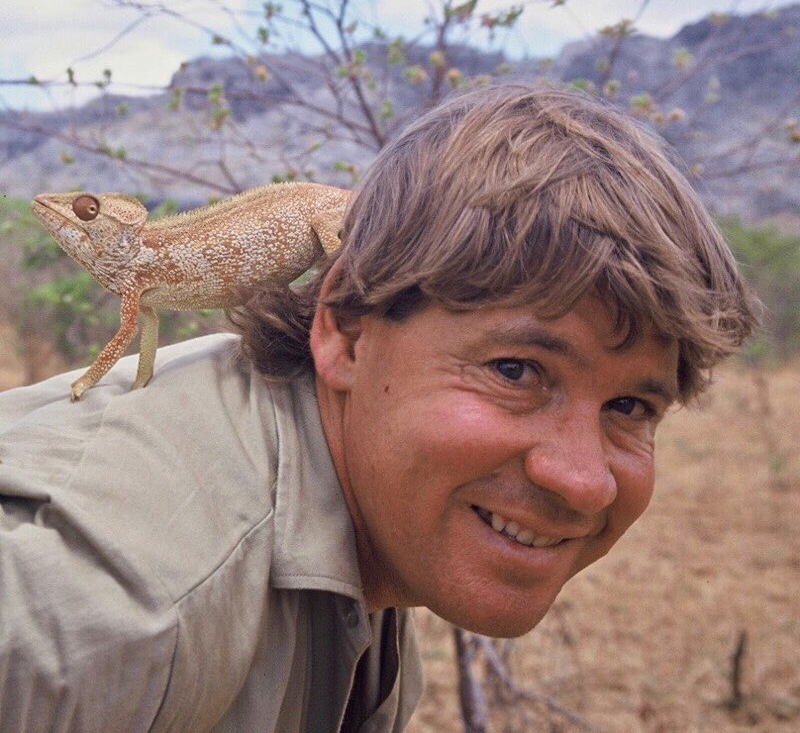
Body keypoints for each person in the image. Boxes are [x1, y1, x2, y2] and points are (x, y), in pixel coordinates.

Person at [0, 84, 758, 731]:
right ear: (346, 333)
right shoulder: (125, 616)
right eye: (515, 370)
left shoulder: (373, 510)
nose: (584, 480)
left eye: (629, 405)